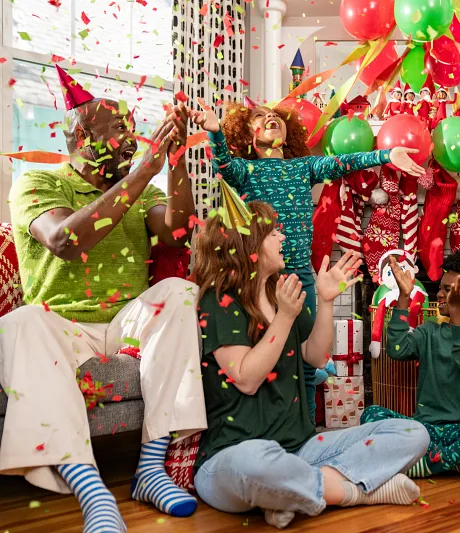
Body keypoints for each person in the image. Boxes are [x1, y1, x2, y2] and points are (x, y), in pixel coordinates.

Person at [0, 66, 206, 532]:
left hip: (124, 324)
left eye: (133, 129)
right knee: (20, 323)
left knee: (180, 291)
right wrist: (144, 171)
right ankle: (92, 491)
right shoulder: (37, 183)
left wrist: (174, 162)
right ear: (81, 135)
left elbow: (177, 231)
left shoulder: (143, 187)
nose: (131, 139)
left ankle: (151, 468)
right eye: (119, 129)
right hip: (62, 327)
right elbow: (64, 241)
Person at [192, 196, 430, 529]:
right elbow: (246, 377)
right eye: (273, 233)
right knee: (259, 463)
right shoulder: (218, 300)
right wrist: (285, 317)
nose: (282, 238)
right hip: (232, 456)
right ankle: (357, 493)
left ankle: (290, 493)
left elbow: (316, 356)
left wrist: (325, 299)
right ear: (249, 244)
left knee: (412, 432)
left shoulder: (280, 292)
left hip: (301, 449)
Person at [191, 98, 424, 423]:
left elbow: (342, 163)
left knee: (306, 363)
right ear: (249, 137)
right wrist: (215, 132)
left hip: (302, 279)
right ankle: (271, 430)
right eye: (260, 116)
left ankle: (304, 430)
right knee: (272, 359)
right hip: (262, 281)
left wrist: (385, 155)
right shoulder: (246, 171)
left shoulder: (302, 166)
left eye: (275, 116)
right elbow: (225, 166)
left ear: (287, 137)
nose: (270, 116)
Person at [361, 251, 460, 482]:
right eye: (442, 288)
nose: (441, 294)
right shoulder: (428, 331)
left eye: (449, 290)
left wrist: (457, 315)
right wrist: (404, 298)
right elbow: (396, 350)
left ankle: (424, 464)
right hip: (423, 431)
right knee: (371, 415)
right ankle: (458, 462)